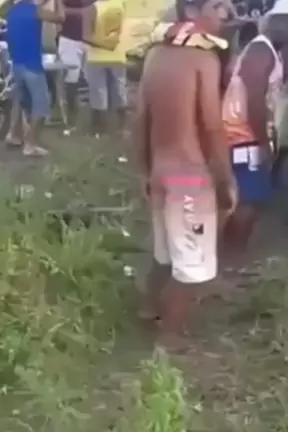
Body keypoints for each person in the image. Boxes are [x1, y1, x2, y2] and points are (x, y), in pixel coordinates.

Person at [134, 0, 237, 349]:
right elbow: (212, 126)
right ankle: (171, 336)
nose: (227, 13)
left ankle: (149, 308)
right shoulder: (203, 59)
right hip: (191, 178)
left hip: (160, 172)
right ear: (191, 10)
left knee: (164, 253)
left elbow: (140, 119)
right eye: (218, 5)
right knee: (192, 268)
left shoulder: (155, 54)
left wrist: (143, 170)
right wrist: (224, 180)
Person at [221, 13, 287, 263]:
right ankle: (232, 257)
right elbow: (254, 99)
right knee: (249, 202)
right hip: (244, 138)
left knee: (249, 200)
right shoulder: (262, 51)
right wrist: (263, 142)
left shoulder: (267, 51)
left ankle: (230, 255)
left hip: (245, 137)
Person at [0, 0, 65, 156]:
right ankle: (31, 144)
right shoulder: (36, 11)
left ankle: (13, 134)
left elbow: (0, 11)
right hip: (32, 65)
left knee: (18, 101)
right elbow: (61, 18)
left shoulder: (12, 10)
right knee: (42, 105)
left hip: (17, 64)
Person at [82, 0, 129, 136]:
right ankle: (103, 128)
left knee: (113, 92)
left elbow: (86, 36)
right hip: (102, 56)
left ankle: (113, 128)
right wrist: (107, 45)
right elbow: (86, 35)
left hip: (110, 56)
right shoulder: (93, 8)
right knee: (105, 92)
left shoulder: (119, 5)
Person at [57, 0, 92, 130]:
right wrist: (84, 12)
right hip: (69, 39)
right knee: (71, 79)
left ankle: (97, 120)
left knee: (95, 80)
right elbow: (59, 12)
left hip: (93, 39)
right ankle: (71, 117)